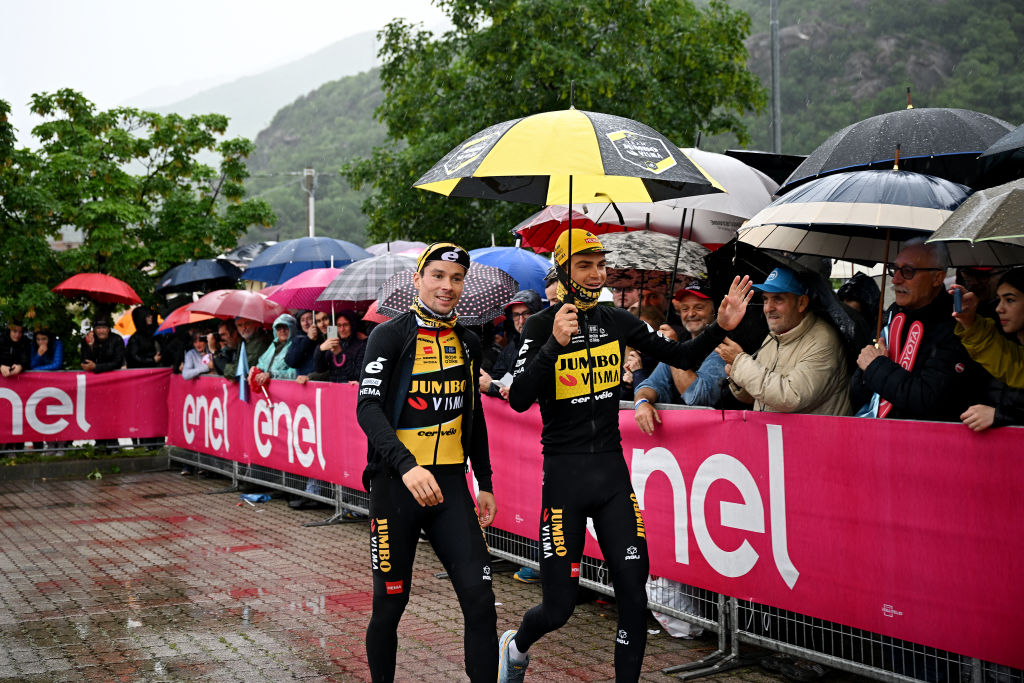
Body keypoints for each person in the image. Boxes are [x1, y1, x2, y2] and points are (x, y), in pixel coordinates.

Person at [502, 229, 752, 683]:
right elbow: (518, 398)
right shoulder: (542, 325)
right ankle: (516, 646)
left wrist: (721, 326)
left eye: (601, 265)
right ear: (562, 270)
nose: (596, 274)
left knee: (635, 598)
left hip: (613, 480)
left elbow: (679, 352)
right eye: (584, 265)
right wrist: (553, 345)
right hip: (564, 480)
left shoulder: (617, 320)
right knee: (559, 606)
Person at [355, 242, 497, 683]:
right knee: (390, 606)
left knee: (480, 601)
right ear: (418, 280)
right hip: (398, 486)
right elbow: (368, 409)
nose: (447, 286)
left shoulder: (469, 341)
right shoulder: (390, 335)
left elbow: (473, 417)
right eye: (437, 276)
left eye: (456, 278)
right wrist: (406, 465)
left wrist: (485, 481)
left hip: (451, 487)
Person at [851, 240, 977, 421]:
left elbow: (929, 400)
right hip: (876, 434)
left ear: (937, 277)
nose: (895, 279)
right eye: (894, 269)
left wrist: (876, 367)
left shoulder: (958, 323)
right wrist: (866, 372)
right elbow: (857, 391)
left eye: (908, 271)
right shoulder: (890, 316)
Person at [715, 267, 852, 415]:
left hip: (814, 437)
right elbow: (759, 395)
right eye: (765, 299)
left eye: (778, 299)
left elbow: (791, 397)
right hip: (776, 436)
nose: (768, 308)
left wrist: (740, 363)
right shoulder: (774, 336)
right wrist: (736, 375)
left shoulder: (823, 340)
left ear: (801, 303)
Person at [633, 280, 729, 433]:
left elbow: (697, 398)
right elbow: (649, 386)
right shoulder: (679, 346)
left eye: (699, 307)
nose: (690, 314)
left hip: (717, 439)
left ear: (715, 311)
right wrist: (642, 403)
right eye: (685, 308)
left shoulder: (724, 348)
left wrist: (671, 350)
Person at [952, 267, 1024, 426]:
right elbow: (1010, 363)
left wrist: (1000, 416)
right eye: (999, 299)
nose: (999, 308)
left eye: (1010, 300)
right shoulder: (1013, 348)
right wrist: (969, 321)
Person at [480, 290, 543, 400]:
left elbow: (534, 390)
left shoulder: (550, 344)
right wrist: (488, 381)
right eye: (516, 315)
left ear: (538, 314)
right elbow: (507, 377)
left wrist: (491, 387)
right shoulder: (513, 345)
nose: (521, 321)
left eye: (526, 314)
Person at [309, 311, 365, 384]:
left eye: (345, 325)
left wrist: (340, 354)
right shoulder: (335, 343)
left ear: (352, 325)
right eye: (339, 325)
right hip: (334, 390)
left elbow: (355, 375)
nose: (342, 329)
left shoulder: (361, 346)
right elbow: (321, 369)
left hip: (350, 391)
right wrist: (320, 350)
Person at [253, 314, 298, 385]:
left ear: (292, 328)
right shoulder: (274, 343)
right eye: (279, 328)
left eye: (285, 327)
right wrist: (255, 370)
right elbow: (262, 362)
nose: (282, 330)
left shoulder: (297, 345)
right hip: (269, 387)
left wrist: (271, 374)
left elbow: (295, 373)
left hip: (286, 388)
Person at [224, 317, 271, 382]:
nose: (244, 328)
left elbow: (244, 369)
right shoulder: (243, 341)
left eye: (247, 323)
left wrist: (226, 369)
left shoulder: (260, 341)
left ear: (254, 324)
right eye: (240, 325)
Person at [286, 309, 323, 377]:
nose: (306, 323)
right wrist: (308, 339)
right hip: (302, 382)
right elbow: (291, 362)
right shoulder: (298, 338)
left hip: (319, 381)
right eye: (302, 320)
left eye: (309, 319)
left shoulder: (323, 337)